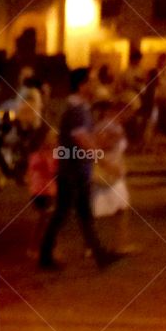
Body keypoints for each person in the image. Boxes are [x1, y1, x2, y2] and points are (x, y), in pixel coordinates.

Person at [39, 68, 120, 271]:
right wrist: (103, 161)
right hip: (72, 172)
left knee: (81, 214)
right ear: (82, 85)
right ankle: (46, 255)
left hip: (77, 171)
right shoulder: (76, 110)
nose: (95, 84)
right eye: (91, 81)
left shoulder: (81, 108)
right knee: (65, 213)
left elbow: (87, 138)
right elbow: (81, 140)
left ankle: (99, 254)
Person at [91, 102, 131, 254]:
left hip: (114, 173)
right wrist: (114, 140)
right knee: (100, 210)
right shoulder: (107, 127)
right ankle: (95, 245)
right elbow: (97, 146)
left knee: (120, 208)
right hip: (107, 172)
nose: (130, 116)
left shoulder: (114, 127)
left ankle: (120, 244)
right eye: (128, 112)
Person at [26, 129, 57, 256]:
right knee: (43, 221)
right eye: (53, 139)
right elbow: (49, 170)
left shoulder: (53, 154)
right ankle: (37, 248)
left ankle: (38, 247)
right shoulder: (40, 155)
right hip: (42, 191)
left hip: (47, 190)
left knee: (44, 220)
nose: (55, 141)